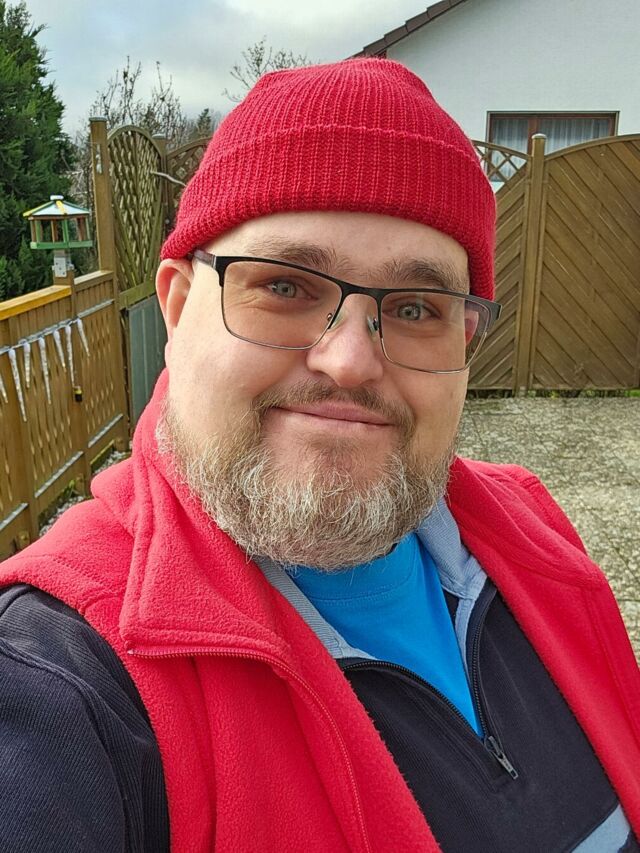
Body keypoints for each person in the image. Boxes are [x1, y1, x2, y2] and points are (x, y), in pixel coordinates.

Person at [0, 58, 638, 853]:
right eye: (285, 287)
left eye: (415, 308)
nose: (350, 362)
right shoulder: (60, 681)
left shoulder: (534, 533)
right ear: (178, 306)